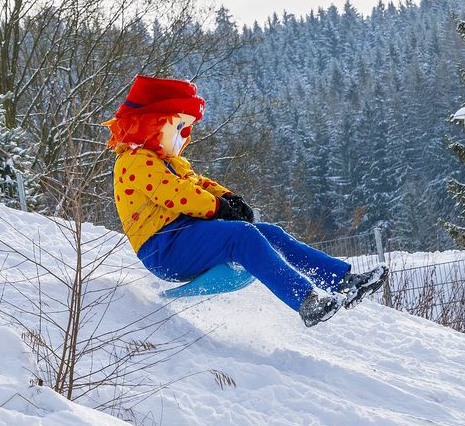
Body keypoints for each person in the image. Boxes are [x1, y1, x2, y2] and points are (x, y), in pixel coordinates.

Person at [105, 74, 386, 327]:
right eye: (180, 128)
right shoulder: (133, 161)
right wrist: (219, 209)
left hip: (186, 236)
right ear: (150, 124)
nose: (185, 137)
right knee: (242, 236)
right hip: (165, 247)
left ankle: (343, 281)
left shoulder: (169, 162)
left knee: (268, 233)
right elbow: (175, 194)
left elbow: (198, 183)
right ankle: (306, 302)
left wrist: (228, 198)